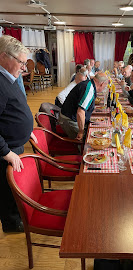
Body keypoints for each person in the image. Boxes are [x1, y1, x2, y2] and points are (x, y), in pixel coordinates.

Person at [0, 35, 37, 233]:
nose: (24, 67)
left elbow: (13, 110)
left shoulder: (9, 77)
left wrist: (27, 131)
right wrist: (6, 152)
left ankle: (16, 217)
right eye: (21, 62)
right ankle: (12, 224)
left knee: (14, 186)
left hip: (15, 144)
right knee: (6, 189)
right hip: (6, 150)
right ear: (5, 57)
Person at [59, 72, 108, 140]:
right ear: (102, 84)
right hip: (70, 121)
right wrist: (81, 132)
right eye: (105, 86)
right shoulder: (89, 89)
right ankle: (79, 150)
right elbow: (80, 112)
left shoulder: (89, 84)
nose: (104, 88)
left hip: (72, 118)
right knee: (90, 139)